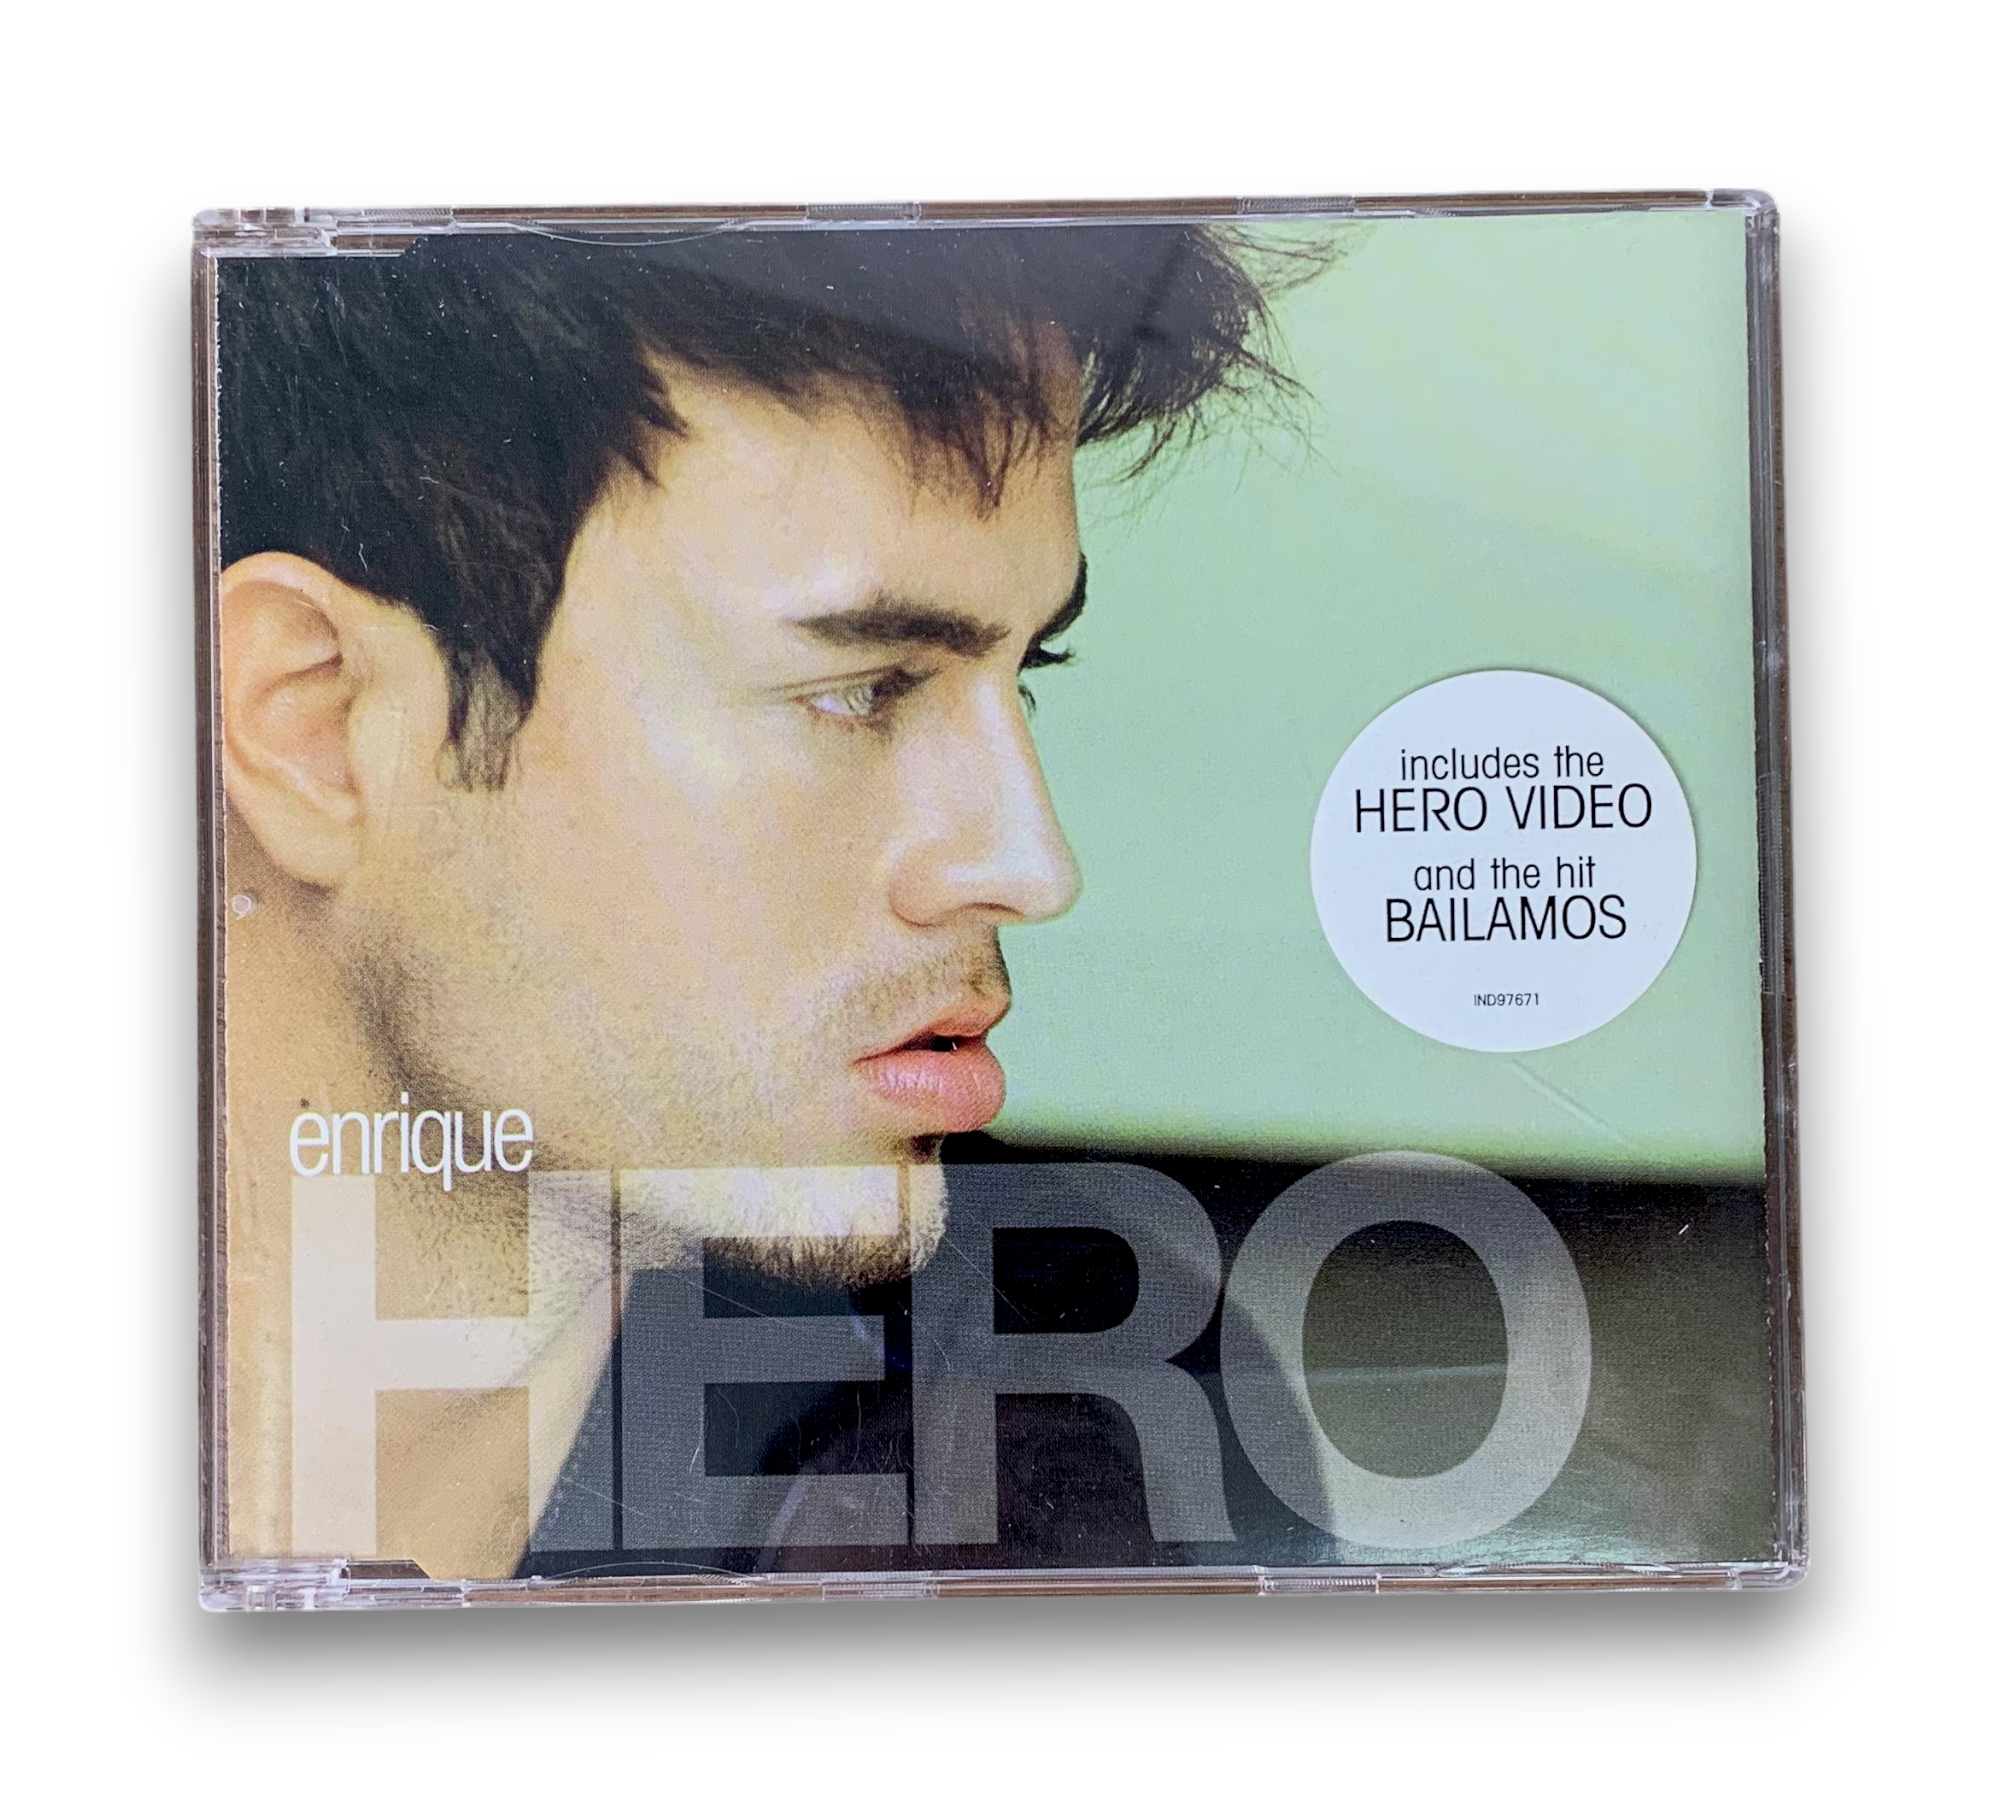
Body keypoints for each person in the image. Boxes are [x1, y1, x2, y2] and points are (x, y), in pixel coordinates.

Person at [214, 225, 1301, 1575]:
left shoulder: (1085, 1412)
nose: (1031, 865)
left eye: (1026, 673)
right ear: (321, 728)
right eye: (862, 690)